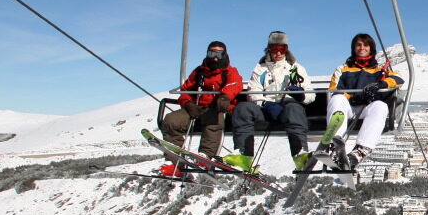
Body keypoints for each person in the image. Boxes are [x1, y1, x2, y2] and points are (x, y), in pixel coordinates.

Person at [226, 31, 314, 171]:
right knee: (243, 108)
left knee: (294, 108)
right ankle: (244, 155)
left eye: (282, 49)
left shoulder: (296, 69)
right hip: (265, 110)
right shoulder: (260, 69)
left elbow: (311, 95)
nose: (279, 53)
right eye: (275, 49)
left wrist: (300, 96)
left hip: (287, 110)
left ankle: (300, 154)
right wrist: (265, 103)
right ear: (269, 50)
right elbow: (253, 92)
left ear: (286, 50)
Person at [159, 41, 242, 177]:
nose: (215, 57)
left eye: (219, 54)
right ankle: (175, 162)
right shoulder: (199, 72)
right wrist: (187, 103)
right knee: (171, 121)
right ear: (207, 54)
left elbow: (235, 84)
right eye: (212, 53)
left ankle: (206, 156)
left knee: (213, 121)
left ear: (224, 55)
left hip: (215, 108)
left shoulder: (229, 72)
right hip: (196, 107)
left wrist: (225, 97)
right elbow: (186, 90)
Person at [324, 33, 404, 170]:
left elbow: (399, 80)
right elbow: (334, 89)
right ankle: (336, 143)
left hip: (367, 109)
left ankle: (360, 151)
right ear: (353, 48)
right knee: (337, 99)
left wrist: (380, 85)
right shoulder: (343, 69)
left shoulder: (379, 70)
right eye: (358, 45)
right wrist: (356, 96)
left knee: (380, 106)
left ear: (371, 48)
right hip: (347, 108)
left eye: (366, 45)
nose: (362, 48)